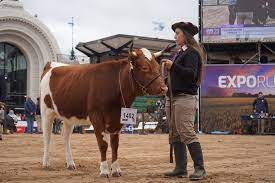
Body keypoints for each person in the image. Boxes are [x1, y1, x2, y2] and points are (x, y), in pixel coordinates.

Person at [162, 21, 207, 180]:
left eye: (178, 33)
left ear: (186, 36)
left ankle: (200, 169)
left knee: (186, 132)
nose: (175, 36)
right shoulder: (181, 52)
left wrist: (173, 66)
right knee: (175, 133)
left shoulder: (192, 53)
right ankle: (180, 169)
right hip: (173, 97)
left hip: (184, 98)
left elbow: (191, 75)